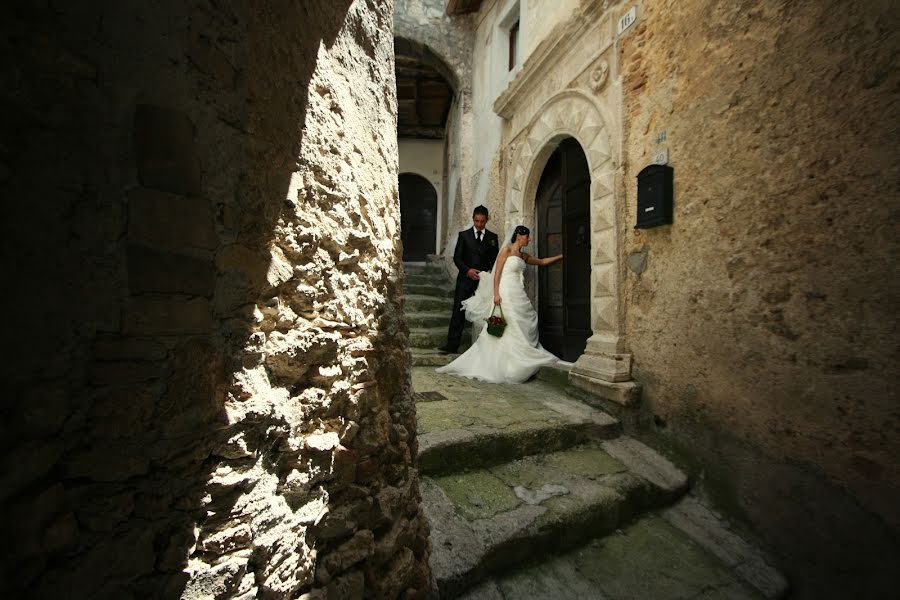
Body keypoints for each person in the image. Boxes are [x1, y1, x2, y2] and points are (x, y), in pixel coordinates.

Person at [436, 225, 564, 383]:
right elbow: (497, 274)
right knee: (508, 323)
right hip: (505, 291)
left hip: (518, 291)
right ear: (519, 236)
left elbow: (542, 261)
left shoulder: (523, 256)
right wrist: (496, 294)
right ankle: (506, 364)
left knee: (522, 320)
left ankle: (519, 357)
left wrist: (560, 256)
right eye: (527, 237)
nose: (529, 239)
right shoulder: (506, 251)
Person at [438, 205, 500, 354]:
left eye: (482, 221)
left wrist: (488, 275)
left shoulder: (493, 238)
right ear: (473, 219)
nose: (479, 224)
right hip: (465, 280)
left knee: (487, 312)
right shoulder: (464, 235)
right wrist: (468, 271)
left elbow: (495, 260)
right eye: (477, 221)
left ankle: (486, 346)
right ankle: (452, 345)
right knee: (458, 311)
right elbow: (457, 258)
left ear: (487, 220)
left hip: (484, 282)